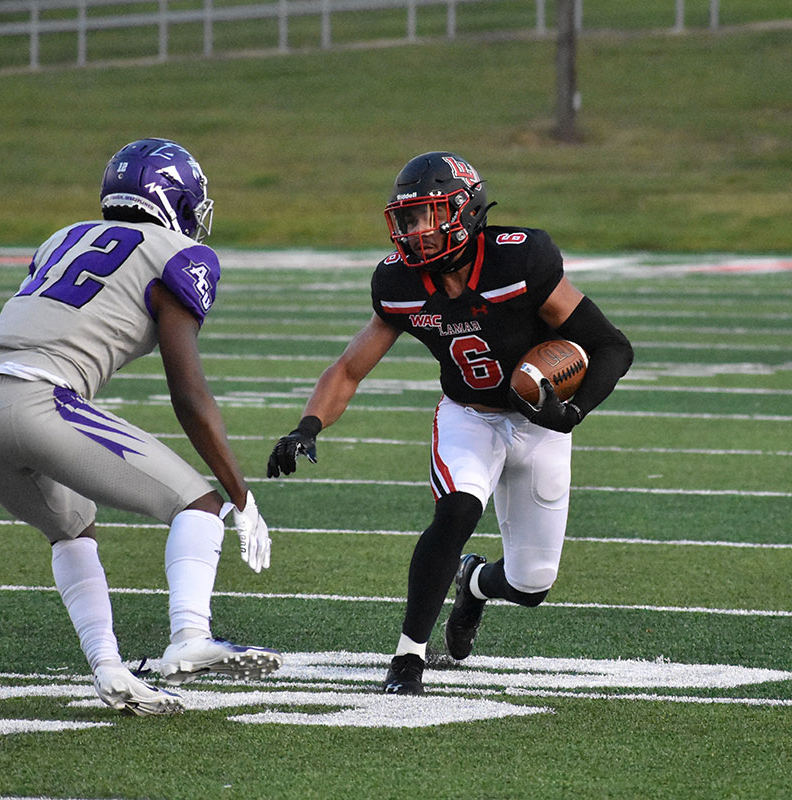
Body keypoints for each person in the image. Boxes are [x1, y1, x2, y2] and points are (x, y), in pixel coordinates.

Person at [267, 151, 632, 694]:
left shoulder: (519, 261)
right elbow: (348, 368)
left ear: (466, 211)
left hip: (540, 426)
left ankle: (475, 582)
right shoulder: (400, 283)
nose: (417, 232)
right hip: (469, 417)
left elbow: (611, 346)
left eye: (430, 215)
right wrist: (308, 425)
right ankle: (408, 658)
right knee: (459, 507)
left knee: (532, 584)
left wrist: (572, 412)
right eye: (409, 219)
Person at [0, 138, 282, 716]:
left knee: (73, 529)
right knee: (198, 504)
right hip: (42, 402)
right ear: (174, 198)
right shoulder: (179, 255)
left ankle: (109, 669)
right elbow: (188, 393)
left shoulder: (62, 237)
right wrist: (240, 493)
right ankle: (190, 635)